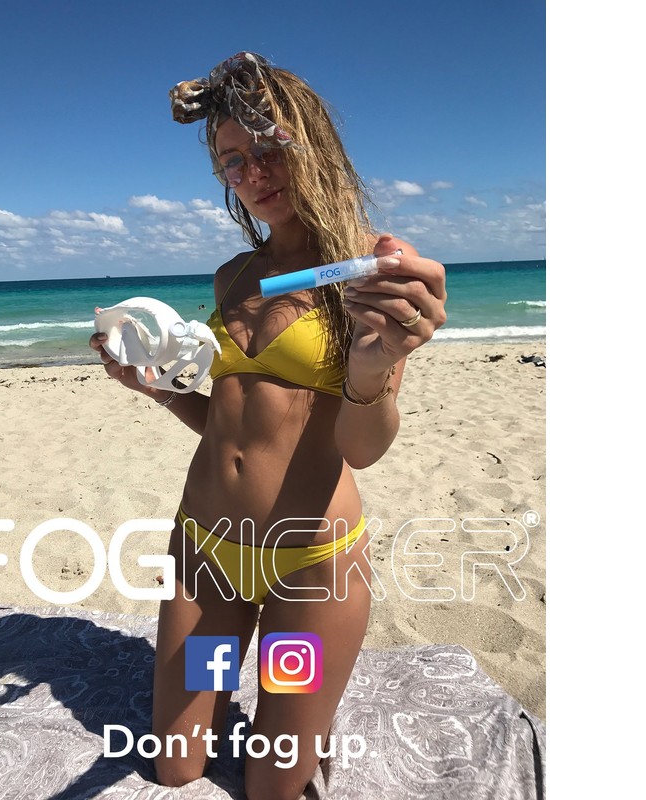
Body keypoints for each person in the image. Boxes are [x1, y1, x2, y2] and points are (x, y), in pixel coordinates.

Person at [90, 52, 446, 800]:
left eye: (269, 146)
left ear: (311, 141)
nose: (253, 171)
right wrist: (155, 389)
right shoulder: (235, 276)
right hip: (208, 560)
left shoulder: (367, 273)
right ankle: (273, 716)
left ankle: (299, 725)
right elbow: (228, 424)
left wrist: (373, 370)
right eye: (232, 159)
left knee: (271, 786)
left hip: (307, 572)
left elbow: (362, 449)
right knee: (177, 764)